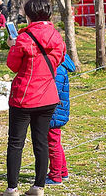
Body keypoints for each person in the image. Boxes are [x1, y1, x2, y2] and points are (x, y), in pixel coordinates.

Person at [3, 0, 66, 196]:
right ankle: (39, 187)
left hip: (24, 96)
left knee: (15, 143)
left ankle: (12, 188)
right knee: (41, 142)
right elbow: (59, 59)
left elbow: (13, 66)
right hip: (48, 96)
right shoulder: (57, 36)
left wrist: (12, 45)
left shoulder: (23, 38)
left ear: (29, 15)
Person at [46, 54, 76, 185]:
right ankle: (62, 171)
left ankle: (55, 175)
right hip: (57, 109)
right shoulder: (60, 61)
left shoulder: (57, 68)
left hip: (54, 110)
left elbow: (53, 91)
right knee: (54, 142)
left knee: (53, 143)